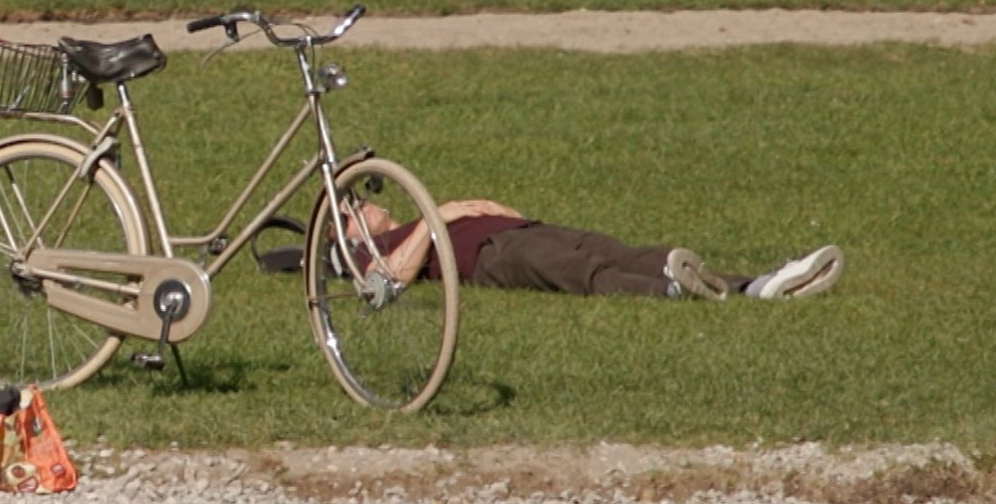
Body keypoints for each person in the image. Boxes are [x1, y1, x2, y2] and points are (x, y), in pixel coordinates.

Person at [348, 198, 843, 300]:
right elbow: (389, 279)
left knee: (631, 253)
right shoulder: (372, 249)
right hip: (492, 258)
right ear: (343, 234)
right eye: (350, 210)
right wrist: (444, 215)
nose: (365, 205)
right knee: (586, 272)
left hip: (524, 230)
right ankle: (674, 293)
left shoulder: (410, 217)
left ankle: (758, 285)